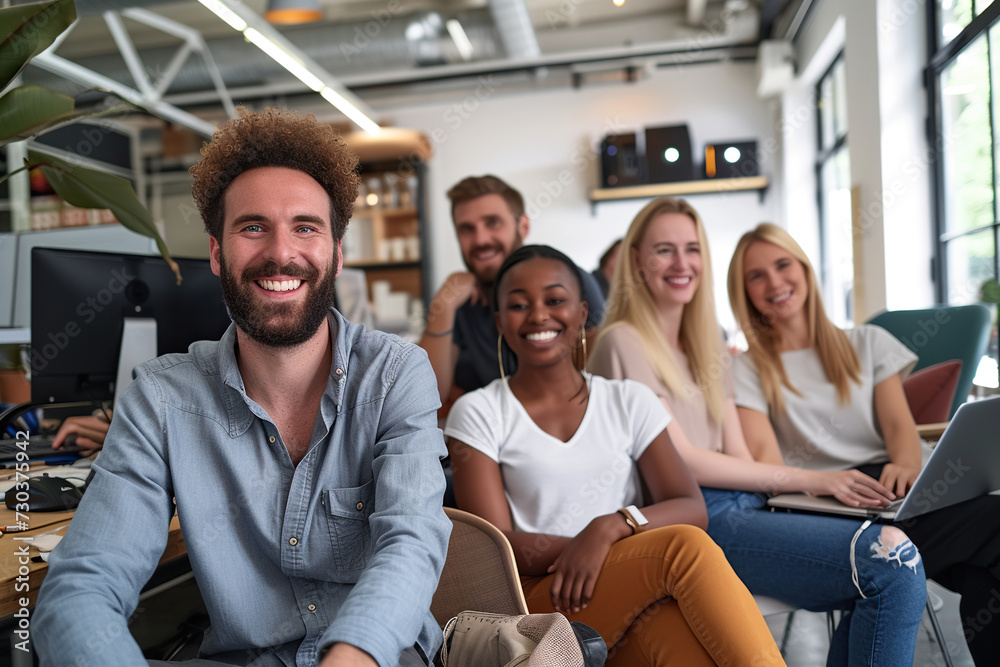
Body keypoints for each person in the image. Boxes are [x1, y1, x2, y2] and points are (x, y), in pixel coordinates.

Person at [34, 108, 451, 667]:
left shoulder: (397, 374)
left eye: (305, 227)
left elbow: (412, 541)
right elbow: (80, 587)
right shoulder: (161, 398)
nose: (281, 253)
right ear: (216, 252)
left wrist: (349, 657)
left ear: (337, 252)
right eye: (253, 227)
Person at [588, 198, 927, 666]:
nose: (682, 263)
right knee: (893, 561)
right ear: (636, 262)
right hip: (696, 521)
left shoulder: (708, 344)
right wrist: (817, 480)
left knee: (879, 568)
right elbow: (682, 459)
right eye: (664, 250)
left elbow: (740, 453)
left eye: (692, 248)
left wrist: (805, 496)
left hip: (747, 505)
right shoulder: (622, 341)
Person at [444, 244, 786, 666]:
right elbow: (492, 547)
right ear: (499, 322)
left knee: (669, 629)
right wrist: (584, 551)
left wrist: (608, 529)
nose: (537, 315)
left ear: (583, 312)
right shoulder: (479, 411)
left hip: (622, 592)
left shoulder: (628, 400)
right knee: (682, 548)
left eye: (555, 300)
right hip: (537, 601)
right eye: (518, 305)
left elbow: (690, 505)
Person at [728, 222, 1000, 665]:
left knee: (982, 575)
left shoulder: (867, 342)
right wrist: (828, 483)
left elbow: (899, 428)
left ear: (804, 268)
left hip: (899, 490)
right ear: (744, 292)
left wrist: (908, 463)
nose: (774, 282)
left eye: (782, 265)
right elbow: (767, 465)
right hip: (822, 505)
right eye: (756, 276)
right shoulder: (746, 370)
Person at [418, 175, 605, 404]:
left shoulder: (572, 283)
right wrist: (443, 305)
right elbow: (424, 399)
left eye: (493, 222)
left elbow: (599, 379)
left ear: (523, 226)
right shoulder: (460, 301)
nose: (481, 239)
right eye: (467, 229)